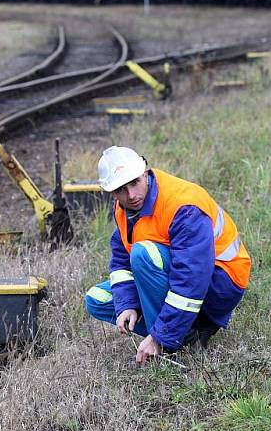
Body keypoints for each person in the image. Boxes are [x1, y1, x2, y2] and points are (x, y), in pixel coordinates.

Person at [85, 146, 251, 364]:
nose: (131, 195)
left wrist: (159, 336)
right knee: (97, 299)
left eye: (134, 183)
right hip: (182, 275)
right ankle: (184, 332)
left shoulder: (183, 206)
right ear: (111, 193)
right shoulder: (122, 209)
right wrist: (127, 304)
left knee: (143, 254)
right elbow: (120, 259)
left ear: (145, 172)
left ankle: (169, 342)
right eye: (121, 190)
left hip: (220, 282)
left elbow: (192, 279)